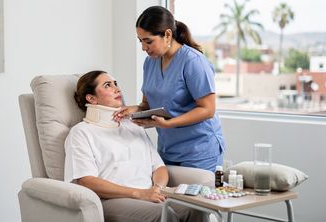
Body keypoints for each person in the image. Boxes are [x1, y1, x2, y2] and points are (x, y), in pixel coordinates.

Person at [64, 70, 208, 222]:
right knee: (165, 215)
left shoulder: (133, 126)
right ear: (91, 98)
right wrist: (139, 193)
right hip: (111, 201)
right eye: (107, 85)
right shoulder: (81, 132)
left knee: (196, 209)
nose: (117, 88)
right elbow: (86, 181)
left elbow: (159, 167)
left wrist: (157, 188)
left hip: (148, 195)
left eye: (116, 83)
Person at [114, 6, 225, 173]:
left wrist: (169, 123)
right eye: (140, 41)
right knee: (168, 198)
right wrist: (134, 110)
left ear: (167, 35)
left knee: (196, 198)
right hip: (168, 149)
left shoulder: (193, 62)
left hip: (199, 150)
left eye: (148, 41)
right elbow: (146, 104)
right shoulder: (150, 62)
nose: (144, 48)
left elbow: (208, 109)